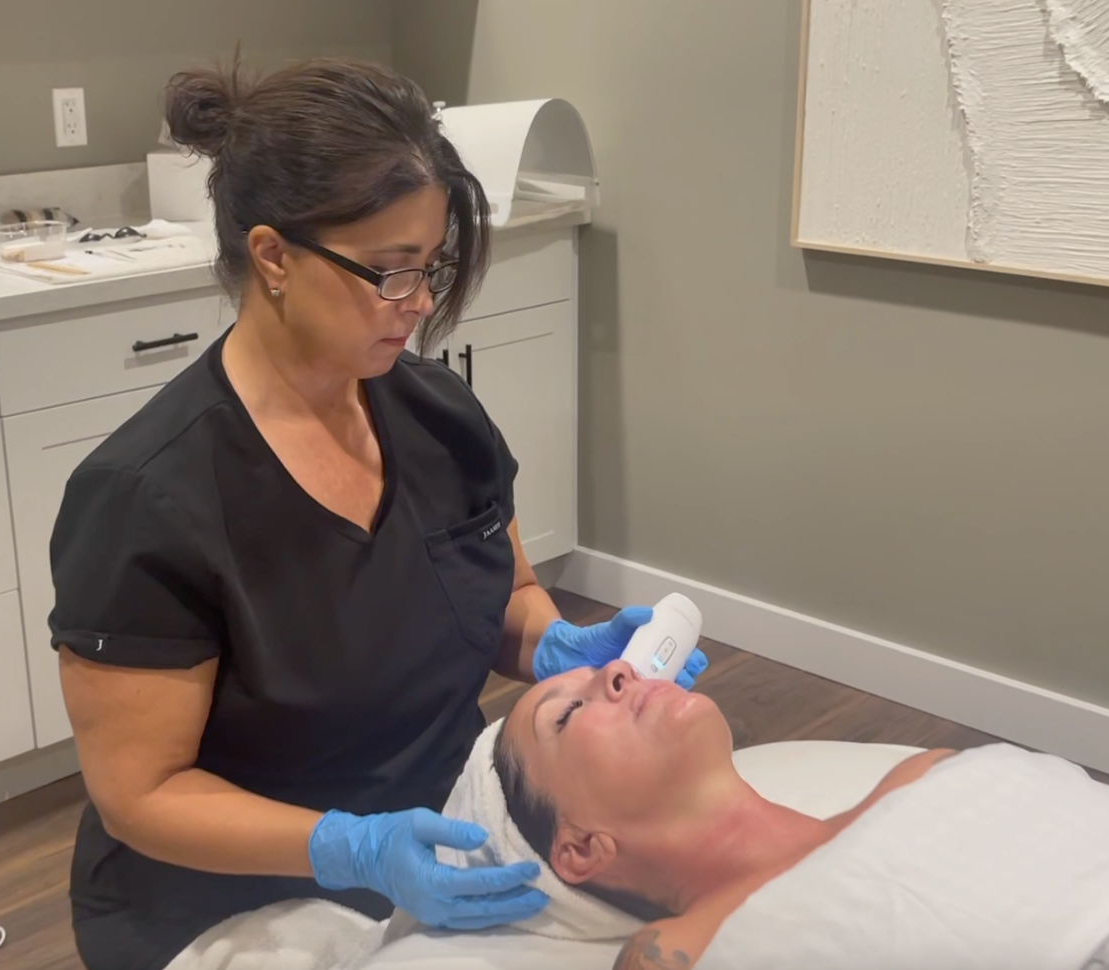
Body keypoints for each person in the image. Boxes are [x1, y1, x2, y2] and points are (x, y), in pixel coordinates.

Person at [45, 57, 709, 970]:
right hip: (225, 900)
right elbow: (143, 795)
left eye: (430, 266)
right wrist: (346, 847)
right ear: (274, 256)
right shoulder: (147, 499)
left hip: (438, 840)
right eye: (391, 273)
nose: (423, 303)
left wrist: (557, 646)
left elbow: (501, 595)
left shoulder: (440, 415)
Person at [494, 660, 1109, 970]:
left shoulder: (923, 770)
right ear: (580, 847)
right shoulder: (676, 953)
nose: (616, 670)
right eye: (569, 711)